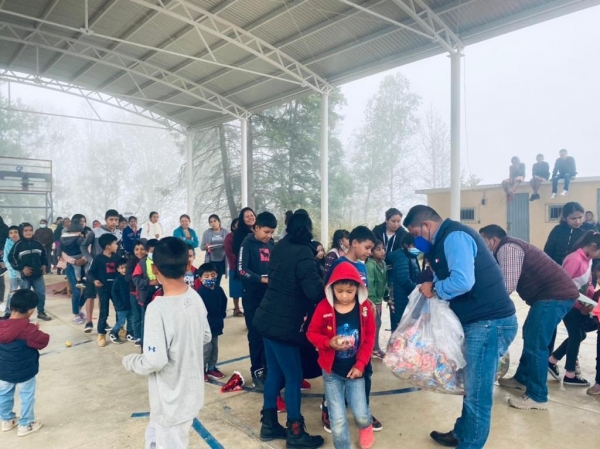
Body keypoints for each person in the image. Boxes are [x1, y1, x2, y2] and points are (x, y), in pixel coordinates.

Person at [403, 205, 517, 448]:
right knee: (471, 386)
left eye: (415, 234)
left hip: (489, 323)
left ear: (426, 226)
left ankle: (470, 443)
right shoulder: (443, 241)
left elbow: (463, 281)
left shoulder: (455, 236)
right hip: (481, 322)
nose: (415, 241)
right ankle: (463, 434)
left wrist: (434, 289)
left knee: (477, 393)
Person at [122, 237, 211, 449]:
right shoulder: (195, 297)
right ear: (189, 265)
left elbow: (155, 360)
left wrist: (131, 361)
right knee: (155, 436)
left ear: (154, 269)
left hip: (171, 401)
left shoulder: (157, 309)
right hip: (191, 394)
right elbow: (206, 336)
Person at [478, 224, 578, 410]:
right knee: (531, 334)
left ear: (492, 240)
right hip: (552, 295)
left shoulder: (507, 248)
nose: (481, 247)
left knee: (535, 342)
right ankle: (522, 378)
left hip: (553, 296)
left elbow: (507, 285)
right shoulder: (509, 247)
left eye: (482, 242)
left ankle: (538, 396)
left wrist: (484, 303)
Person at [253, 212, 325, 449]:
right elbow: (314, 291)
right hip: (284, 324)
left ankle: (269, 424)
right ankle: (295, 433)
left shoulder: (281, 246)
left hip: (266, 318)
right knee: (293, 377)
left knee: (275, 373)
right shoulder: (304, 252)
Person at [307, 262, 375, 449]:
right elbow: (311, 333)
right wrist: (328, 343)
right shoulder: (323, 307)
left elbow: (369, 338)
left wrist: (361, 364)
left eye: (350, 291)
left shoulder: (365, 308)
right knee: (337, 420)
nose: (344, 296)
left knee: (361, 414)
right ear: (332, 289)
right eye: (340, 291)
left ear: (358, 288)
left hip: (355, 371)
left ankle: (366, 426)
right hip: (332, 374)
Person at [323, 226, 381, 432]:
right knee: (334, 367)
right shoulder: (339, 264)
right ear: (354, 243)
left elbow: (364, 293)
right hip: (341, 327)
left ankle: (363, 411)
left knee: (364, 367)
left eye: (371, 248)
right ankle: (329, 408)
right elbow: (329, 292)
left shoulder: (363, 267)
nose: (369, 252)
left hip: (360, 326)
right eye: (367, 247)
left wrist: (370, 303)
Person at [548, 231, 600, 387]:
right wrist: (580, 301)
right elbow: (564, 283)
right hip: (567, 303)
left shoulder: (588, 259)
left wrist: (591, 299)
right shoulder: (574, 259)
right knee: (577, 335)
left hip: (578, 303)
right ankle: (570, 374)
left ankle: (552, 360)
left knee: (580, 334)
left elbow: (588, 282)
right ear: (593, 246)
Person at [0, 290, 49, 437]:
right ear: (31, 310)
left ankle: (7, 420)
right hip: (25, 373)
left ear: (11, 305)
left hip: (3, 371)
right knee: (26, 396)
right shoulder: (29, 330)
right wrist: (36, 330)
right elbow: (43, 341)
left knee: (4, 395)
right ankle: (25, 424)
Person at [238, 211, 277, 390]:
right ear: (257, 228)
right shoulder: (247, 243)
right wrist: (262, 279)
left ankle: (269, 367)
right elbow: (242, 270)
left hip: (269, 296)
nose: (268, 236)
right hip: (252, 296)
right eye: (266, 232)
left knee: (269, 333)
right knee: (255, 334)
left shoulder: (272, 244)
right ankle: (257, 370)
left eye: (271, 233)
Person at [80, 209, 122, 334]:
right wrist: (90, 259)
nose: (114, 222)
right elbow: (83, 245)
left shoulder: (119, 234)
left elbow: (117, 251)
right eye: (111, 219)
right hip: (94, 268)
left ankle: (103, 322)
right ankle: (89, 321)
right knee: (90, 295)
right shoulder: (95, 231)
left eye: (116, 220)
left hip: (109, 270)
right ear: (106, 220)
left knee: (103, 298)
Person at [8, 223, 51, 321]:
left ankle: (41, 312)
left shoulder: (38, 243)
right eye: (26, 230)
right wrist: (22, 268)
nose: (28, 232)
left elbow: (44, 256)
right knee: (25, 296)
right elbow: (11, 259)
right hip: (25, 277)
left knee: (40, 294)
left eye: (30, 230)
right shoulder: (17, 245)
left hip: (38, 275)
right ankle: (23, 316)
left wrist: (44, 265)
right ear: (21, 232)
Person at [87, 234, 120, 347]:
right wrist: (94, 280)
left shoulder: (117, 257)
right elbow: (90, 272)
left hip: (116, 289)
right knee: (104, 311)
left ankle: (119, 330)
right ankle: (101, 333)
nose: (117, 246)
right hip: (103, 289)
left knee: (119, 309)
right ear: (107, 246)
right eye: (115, 244)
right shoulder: (98, 259)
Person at [196, 263, 227, 381]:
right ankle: (201, 369)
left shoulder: (219, 289)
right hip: (205, 327)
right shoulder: (200, 293)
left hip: (216, 325)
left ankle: (212, 367)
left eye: (213, 275)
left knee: (214, 348)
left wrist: (222, 315)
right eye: (206, 276)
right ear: (200, 278)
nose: (210, 278)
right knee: (205, 349)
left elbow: (223, 303)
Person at [387, 234, 421, 332]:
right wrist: (418, 289)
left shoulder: (411, 256)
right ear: (406, 245)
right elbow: (404, 279)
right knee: (400, 328)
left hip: (407, 297)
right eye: (414, 246)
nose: (417, 248)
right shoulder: (401, 257)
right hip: (401, 298)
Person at [132, 239, 160, 345]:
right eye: (152, 251)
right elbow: (135, 279)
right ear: (147, 252)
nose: (154, 254)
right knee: (147, 321)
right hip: (147, 296)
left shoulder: (162, 262)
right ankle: (144, 345)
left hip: (161, 295)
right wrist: (148, 282)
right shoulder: (141, 264)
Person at [543, 202, 586, 266]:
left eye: (580, 217)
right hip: (557, 268)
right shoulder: (557, 230)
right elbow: (548, 251)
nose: (578, 221)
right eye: (573, 218)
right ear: (564, 218)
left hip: (580, 270)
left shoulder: (588, 231)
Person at [366, 240, 388, 359]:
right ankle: (374, 348)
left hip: (378, 300)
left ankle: (374, 347)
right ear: (372, 252)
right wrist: (373, 301)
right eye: (378, 249)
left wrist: (386, 295)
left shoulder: (383, 264)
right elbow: (370, 284)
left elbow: (384, 282)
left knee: (377, 324)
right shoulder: (370, 265)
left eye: (383, 249)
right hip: (372, 301)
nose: (382, 251)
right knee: (374, 323)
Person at [372, 208, 406, 280]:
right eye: (393, 221)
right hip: (376, 267)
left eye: (399, 221)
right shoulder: (376, 231)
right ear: (386, 220)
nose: (396, 224)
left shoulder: (403, 234)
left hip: (394, 270)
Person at [126, 240, 147, 346]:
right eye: (137, 249)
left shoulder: (150, 261)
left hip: (146, 293)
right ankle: (137, 336)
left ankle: (144, 336)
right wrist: (138, 276)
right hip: (134, 293)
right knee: (136, 316)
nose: (140, 252)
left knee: (145, 316)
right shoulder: (131, 262)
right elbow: (127, 277)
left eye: (142, 249)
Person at [200, 214, 229, 285]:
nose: (213, 223)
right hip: (211, 261)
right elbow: (202, 247)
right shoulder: (207, 233)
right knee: (212, 280)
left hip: (222, 260)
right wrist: (206, 247)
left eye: (215, 221)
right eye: (211, 222)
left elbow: (230, 245)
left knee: (218, 280)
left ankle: (216, 293)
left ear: (219, 222)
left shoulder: (225, 232)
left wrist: (226, 246)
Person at [109, 258, 133, 345]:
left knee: (131, 319)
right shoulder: (117, 280)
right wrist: (118, 304)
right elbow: (114, 293)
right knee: (121, 321)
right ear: (118, 269)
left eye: (126, 267)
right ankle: (113, 333)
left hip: (130, 304)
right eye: (122, 268)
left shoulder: (130, 278)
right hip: (121, 307)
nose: (124, 270)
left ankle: (129, 333)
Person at [224, 219, 244, 317]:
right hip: (234, 266)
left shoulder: (247, 235)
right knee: (235, 288)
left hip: (246, 266)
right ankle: (236, 308)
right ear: (233, 226)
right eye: (237, 225)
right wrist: (238, 260)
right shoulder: (229, 237)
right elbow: (228, 252)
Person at [2, 226, 21, 317]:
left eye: (15, 232)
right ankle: (8, 312)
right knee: (12, 293)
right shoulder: (7, 244)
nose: (13, 234)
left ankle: (22, 313)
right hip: (13, 273)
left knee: (24, 293)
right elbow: (6, 259)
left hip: (24, 273)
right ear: (9, 235)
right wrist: (13, 269)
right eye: (11, 233)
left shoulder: (23, 243)